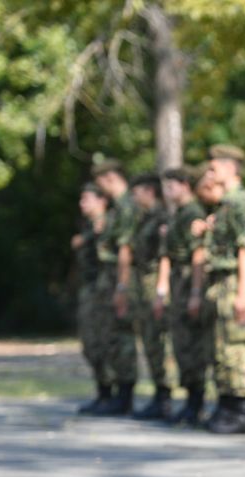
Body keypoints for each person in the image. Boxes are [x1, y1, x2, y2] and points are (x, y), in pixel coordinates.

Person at [202, 144, 245, 434]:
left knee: (239, 346)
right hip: (224, 281)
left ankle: (242, 411)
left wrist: (243, 293)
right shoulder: (227, 202)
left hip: (236, 281)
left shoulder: (240, 201)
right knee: (224, 347)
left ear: (230, 168)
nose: (209, 172)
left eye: (213, 167)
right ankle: (227, 405)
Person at [155, 166, 210, 425]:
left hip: (189, 280)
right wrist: (163, 289)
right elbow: (167, 254)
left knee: (191, 344)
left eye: (171, 186)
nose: (167, 191)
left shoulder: (193, 213)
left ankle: (195, 403)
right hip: (178, 281)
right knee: (180, 343)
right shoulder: (178, 214)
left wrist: (196, 292)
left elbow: (198, 255)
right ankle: (189, 401)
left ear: (185, 185)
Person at [91, 159, 139, 415]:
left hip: (120, 277)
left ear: (110, 178)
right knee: (111, 336)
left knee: (122, 336)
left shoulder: (127, 205)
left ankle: (126, 395)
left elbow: (125, 248)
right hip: (109, 277)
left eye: (101, 183)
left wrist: (122, 286)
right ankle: (118, 393)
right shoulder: (117, 208)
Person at [128, 173, 173, 419]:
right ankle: (159, 393)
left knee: (159, 341)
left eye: (137, 193)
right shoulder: (146, 218)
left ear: (148, 191)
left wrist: (161, 289)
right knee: (149, 340)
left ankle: (165, 395)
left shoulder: (162, 217)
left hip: (157, 281)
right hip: (144, 282)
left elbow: (165, 255)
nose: (134, 198)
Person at [72, 183, 112, 414]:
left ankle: (112, 394)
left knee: (105, 341)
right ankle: (102, 392)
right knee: (91, 343)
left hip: (104, 289)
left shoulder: (108, 223)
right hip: (91, 288)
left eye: (87, 199)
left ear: (101, 200)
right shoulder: (90, 226)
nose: (82, 204)